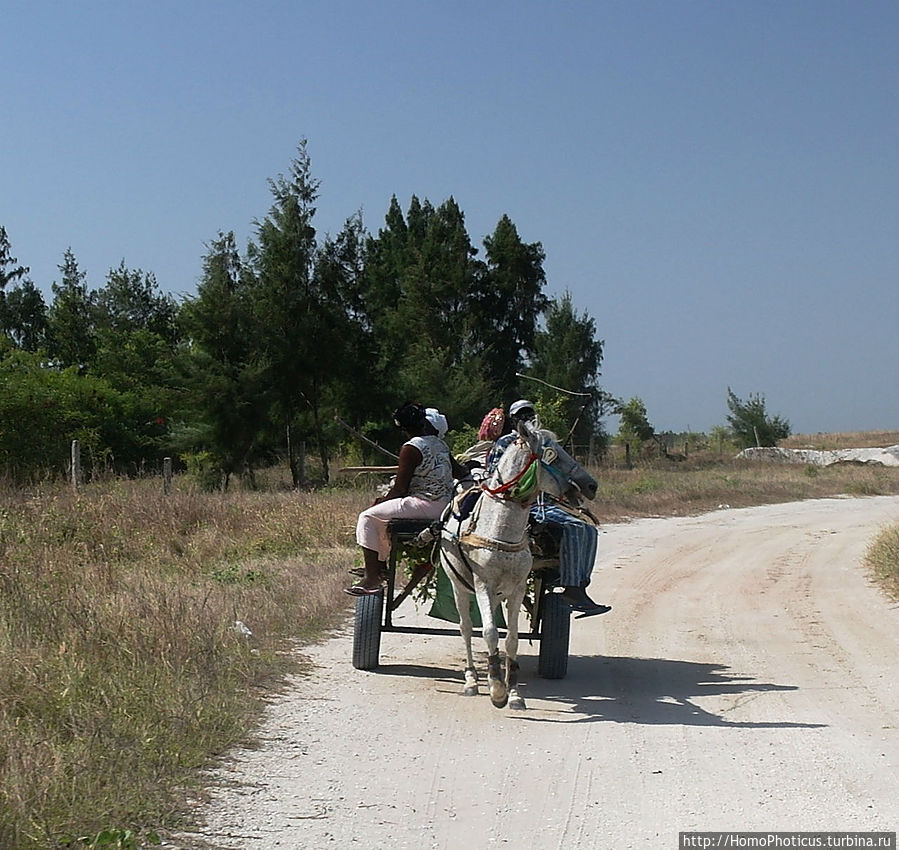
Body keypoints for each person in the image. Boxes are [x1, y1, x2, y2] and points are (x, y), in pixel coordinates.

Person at [487, 399, 611, 617]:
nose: (527, 418)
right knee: (573, 529)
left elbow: (559, 468)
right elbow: (493, 476)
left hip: (548, 503)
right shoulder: (506, 443)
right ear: (514, 419)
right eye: (521, 414)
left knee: (588, 529)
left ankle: (578, 584)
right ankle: (571, 587)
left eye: (529, 413)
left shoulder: (543, 442)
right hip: (521, 504)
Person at [346, 402, 456, 596]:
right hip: (445, 506)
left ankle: (373, 576)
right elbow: (458, 471)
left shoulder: (411, 448)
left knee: (367, 518)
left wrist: (383, 501)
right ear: (424, 422)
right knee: (381, 514)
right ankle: (378, 568)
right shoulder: (440, 444)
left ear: (403, 428)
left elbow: (400, 489)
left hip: (424, 505)